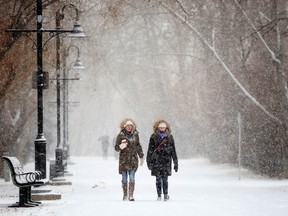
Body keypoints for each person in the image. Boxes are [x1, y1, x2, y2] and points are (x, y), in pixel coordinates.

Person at [146, 119, 178, 201]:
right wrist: (148, 161)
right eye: (161, 128)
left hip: (166, 160)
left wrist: (175, 162)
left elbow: (173, 150)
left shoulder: (170, 137)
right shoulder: (153, 137)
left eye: (163, 127)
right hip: (156, 160)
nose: (162, 129)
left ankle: (166, 194)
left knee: (165, 179)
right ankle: (159, 194)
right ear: (158, 128)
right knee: (158, 179)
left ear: (166, 128)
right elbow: (150, 149)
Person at [115, 118, 144, 201]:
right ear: (124, 126)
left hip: (133, 160)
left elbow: (138, 146)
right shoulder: (120, 135)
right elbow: (116, 148)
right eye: (127, 125)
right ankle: (125, 195)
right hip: (124, 160)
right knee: (124, 178)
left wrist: (141, 156)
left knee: (132, 177)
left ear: (133, 126)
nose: (129, 127)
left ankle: (131, 195)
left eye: (131, 126)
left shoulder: (136, 135)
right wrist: (121, 146)